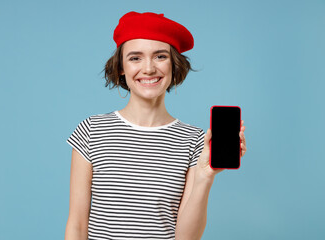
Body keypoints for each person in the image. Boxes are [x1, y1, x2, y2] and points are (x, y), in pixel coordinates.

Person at [64, 11, 247, 240]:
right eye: (135, 58)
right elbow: (77, 225)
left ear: (174, 65)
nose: (149, 68)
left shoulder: (194, 140)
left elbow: (186, 238)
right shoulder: (91, 131)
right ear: (121, 67)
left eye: (160, 56)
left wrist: (204, 175)